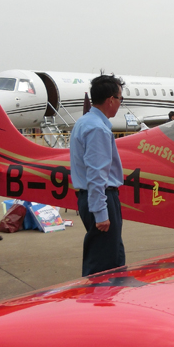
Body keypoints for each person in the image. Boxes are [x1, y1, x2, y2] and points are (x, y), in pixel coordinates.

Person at [70, 74, 126, 276]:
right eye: (120, 99)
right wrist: (101, 213)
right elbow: (96, 174)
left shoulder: (85, 122)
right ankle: (98, 303)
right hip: (102, 199)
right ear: (111, 99)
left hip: (94, 197)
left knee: (113, 258)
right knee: (104, 265)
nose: (120, 104)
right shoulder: (97, 129)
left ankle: (107, 301)